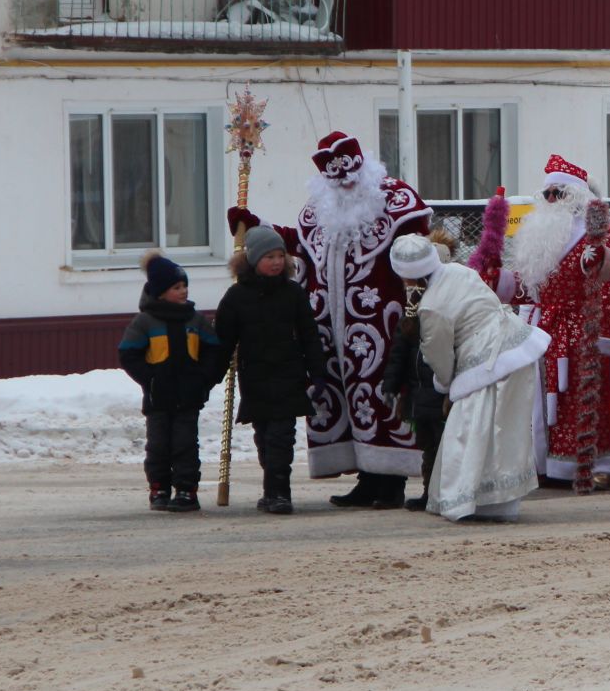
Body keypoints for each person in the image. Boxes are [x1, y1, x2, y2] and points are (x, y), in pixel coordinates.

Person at [227, 131, 431, 508]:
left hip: (381, 322)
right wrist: (254, 224)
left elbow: (419, 250)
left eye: (350, 175)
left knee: (381, 394)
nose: (346, 184)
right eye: (336, 179)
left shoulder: (398, 201)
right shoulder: (318, 209)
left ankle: (390, 482)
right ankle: (366, 478)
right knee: (343, 396)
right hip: (330, 327)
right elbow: (296, 243)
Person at [392, 234, 548, 523]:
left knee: (470, 431)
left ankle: (468, 500)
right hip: (514, 345)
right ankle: (499, 502)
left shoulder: (430, 307)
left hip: (486, 358)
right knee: (503, 430)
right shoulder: (458, 271)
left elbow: (439, 358)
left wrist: (446, 387)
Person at [495, 154, 610, 492]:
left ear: (579, 196)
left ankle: (597, 464)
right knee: (539, 401)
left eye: (560, 193)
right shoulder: (540, 236)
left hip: (582, 327)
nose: (553, 200)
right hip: (542, 328)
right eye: (548, 194)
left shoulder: (602, 233)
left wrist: (602, 336)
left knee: (586, 397)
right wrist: (499, 283)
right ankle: (546, 464)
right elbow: (530, 285)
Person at [213, 226, 328, 515]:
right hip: (255, 377)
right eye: (269, 257)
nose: (276, 262)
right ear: (253, 260)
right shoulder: (236, 297)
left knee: (281, 436)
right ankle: (271, 488)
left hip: (288, 374)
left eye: (280, 256)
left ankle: (280, 493)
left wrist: (318, 372)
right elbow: (224, 341)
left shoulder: (292, 293)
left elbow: (308, 335)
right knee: (264, 436)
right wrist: (210, 376)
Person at [118, 252, 224, 512]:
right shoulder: (145, 321)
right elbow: (128, 353)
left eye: (185, 286)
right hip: (158, 397)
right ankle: (160, 487)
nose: (183, 291)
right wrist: (150, 378)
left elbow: (214, 351)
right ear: (161, 291)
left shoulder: (195, 320)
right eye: (177, 287)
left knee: (185, 444)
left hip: (188, 396)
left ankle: (187, 489)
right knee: (158, 445)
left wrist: (203, 379)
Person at [382, 233, 453, 512]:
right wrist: (392, 385)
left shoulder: (442, 307)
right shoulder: (411, 312)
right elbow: (399, 351)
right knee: (428, 445)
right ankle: (429, 491)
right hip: (417, 392)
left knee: (441, 446)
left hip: (438, 389)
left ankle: (440, 491)